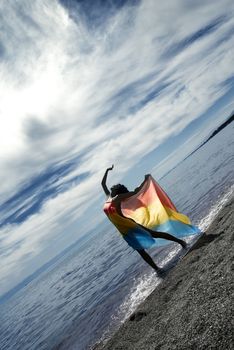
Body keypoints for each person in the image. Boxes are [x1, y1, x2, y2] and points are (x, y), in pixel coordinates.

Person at [101, 165, 187, 273]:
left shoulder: (118, 198)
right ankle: (157, 269)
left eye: (113, 189)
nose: (111, 189)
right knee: (140, 250)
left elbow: (136, 191)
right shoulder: (108, 198)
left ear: (116, 192)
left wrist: (145, 180)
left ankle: (180, 242)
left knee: (154, 235)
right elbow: (103, 184)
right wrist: (107, 170)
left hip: (130, 225)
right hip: (123, 231)